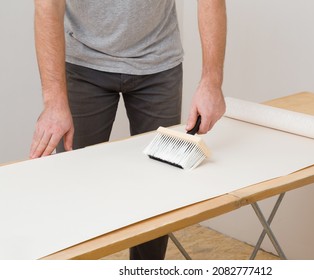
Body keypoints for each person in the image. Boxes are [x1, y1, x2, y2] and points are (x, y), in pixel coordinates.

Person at [29, 0, 226, 260]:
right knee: (74, 185)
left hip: (158, 62)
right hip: (83, 64)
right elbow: (48, 5)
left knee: (159, 187)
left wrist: (212, 82)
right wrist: (54, 101)